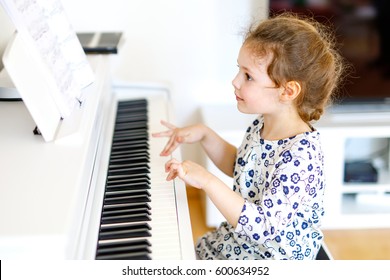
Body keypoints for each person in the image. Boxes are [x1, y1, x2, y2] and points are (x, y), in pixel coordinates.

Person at [152, 12, 346, 260]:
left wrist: (208, 182)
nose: (235, 81)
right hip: (242, 241)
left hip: (272, 258)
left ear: (288, 90)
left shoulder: (301, 156)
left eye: (248, 76)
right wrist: (205, 134)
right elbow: (242, 167)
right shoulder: (262, 124)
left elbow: (264, 227)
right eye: (239, 71)